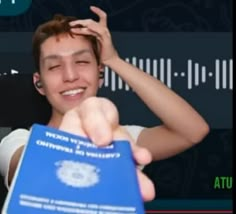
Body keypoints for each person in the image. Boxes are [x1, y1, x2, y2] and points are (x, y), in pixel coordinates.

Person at [0, 6, 209, 201]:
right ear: (39, 83)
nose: (71, 75)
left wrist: (113, 60)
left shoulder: (122, 137)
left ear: (100, 75)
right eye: (54, 66)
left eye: (81, 62)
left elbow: (193, 130)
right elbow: (31, 168)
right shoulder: (18, 141)